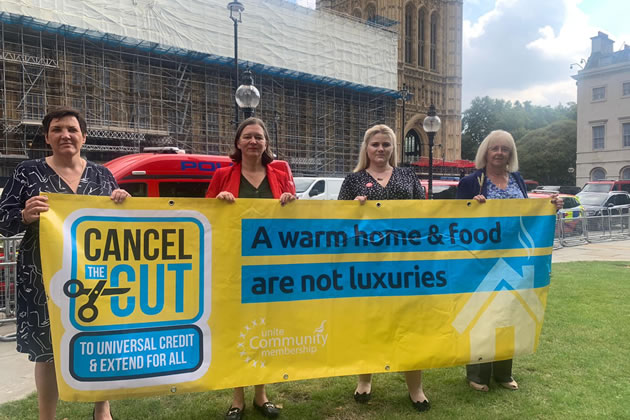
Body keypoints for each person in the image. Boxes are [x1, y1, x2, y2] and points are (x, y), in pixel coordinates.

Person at [0, 107, 130, 420]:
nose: (65, 135)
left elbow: (120, 226)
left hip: (96, 277)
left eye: (71, 129)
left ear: (84, 137)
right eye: (57, 129)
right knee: (46, 353)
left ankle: (102, 410)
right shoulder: (27, 172)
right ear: (47, 137)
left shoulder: (102, 175)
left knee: (100, 343)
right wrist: (24, 215)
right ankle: (47, 417)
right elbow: (4, 222)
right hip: (41, 277)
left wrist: (124, 203)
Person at [457, 129, 562, 392]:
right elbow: (457, 221)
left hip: (515, 261)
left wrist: (551, 206)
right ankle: (477, 373)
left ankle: (504, 373)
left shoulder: (516, 179)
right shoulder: (471, 181)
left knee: (509, 314)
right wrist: (472, 207)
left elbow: (529, 214)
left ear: (510, 154)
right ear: (486, 152)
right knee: (484, 315)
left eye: (505, 149)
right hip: (482, 261)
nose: (500, 153)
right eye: (495, 148)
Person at [206, 117, 295, 420]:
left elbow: (295, 216)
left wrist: (289, 201)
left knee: (265, 328)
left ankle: (261, 395)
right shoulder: (223, 174)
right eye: (248, 137)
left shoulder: (281, 173)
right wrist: (218, 201)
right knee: (235, 329)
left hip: (269, 264)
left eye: (259, 137)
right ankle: (237, 398)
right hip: (233, 263)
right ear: (238, 142)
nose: (253, 141)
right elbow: (206, 214)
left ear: (266, 143)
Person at [337, 124, 429, 413]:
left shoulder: (408, 175)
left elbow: (425, 215)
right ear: (366, 148)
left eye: (386, 144)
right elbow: (340, 224)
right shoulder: (353, 180)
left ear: (393, 148)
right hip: (367, 266)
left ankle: (416, 387)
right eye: (375, 144)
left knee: (409, 324)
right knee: (368, 321)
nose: (380, 149)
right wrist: (353, 209)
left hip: (405, 265)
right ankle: (364, 379)